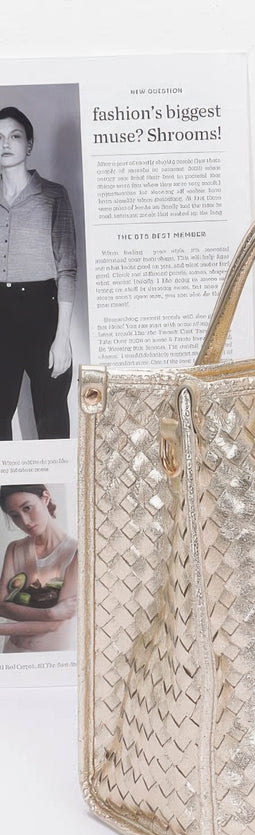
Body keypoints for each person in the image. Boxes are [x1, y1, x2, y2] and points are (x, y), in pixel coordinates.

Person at [0, 105, 76, 440]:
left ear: (29, 144)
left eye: (15, 136)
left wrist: (62, 337)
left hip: (42, 311)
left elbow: (67, 268)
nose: (6, 143)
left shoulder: (53, 195)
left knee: (52, 417)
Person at [0, 484, 77, 653]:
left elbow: (54, 625)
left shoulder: (76, 553)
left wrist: (50, 617)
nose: (25, 521)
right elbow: (1, 605)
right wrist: (50, 613)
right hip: (12, 652)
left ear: (45, 498)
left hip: (52, 658)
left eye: (27, 508)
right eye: (15, 515)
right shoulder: (14, 549)